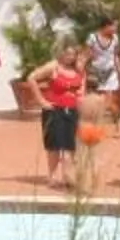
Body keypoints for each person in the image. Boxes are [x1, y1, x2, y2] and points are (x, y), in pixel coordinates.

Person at [28, 45, 85, 189]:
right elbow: (31, 78)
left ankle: (68, 176)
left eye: (73, 54)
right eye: (67, 54)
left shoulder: (78, 70)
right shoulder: (53, 67)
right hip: (54, 109)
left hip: (72, 110)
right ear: (62, 54)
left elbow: (82, 91)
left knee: (70, 145)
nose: (70, 57)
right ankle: (52, 177)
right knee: (54, 144)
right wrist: (41, 101)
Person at [84, 17, 120, 116]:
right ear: (106, 26)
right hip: (95, 71)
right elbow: (86, 53)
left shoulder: (115, 38)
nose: (116, 29)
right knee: (95, 97)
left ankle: (114, 119)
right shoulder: (92, 37)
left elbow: (116, 56)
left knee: (109, 99)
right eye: (114, 26)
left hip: (110, 71)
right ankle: (96, 117)